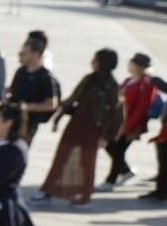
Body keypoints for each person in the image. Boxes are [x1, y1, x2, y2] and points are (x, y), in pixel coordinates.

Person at [37, 47, 122, 206]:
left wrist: (107, 136)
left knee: (87, 162)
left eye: (95, 59)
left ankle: (84, 195)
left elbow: (116, 113)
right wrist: (59, 111)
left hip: (93, 129)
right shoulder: (89, 79)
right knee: (62, 156)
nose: (92, 62)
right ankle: (48, 190)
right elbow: (73, 98)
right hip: (77, 123)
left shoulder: (112, 85)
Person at [106, 53, 160, 188]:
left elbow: (141, 109)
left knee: (118, 150)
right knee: (111, 146)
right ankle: (125, 171)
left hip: (132, 124)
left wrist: (127, 127)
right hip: (119, 122)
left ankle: (111, 180)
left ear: (139, 66)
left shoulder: (146, 84)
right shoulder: (128, 80)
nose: (129, 65)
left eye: (132, 63)